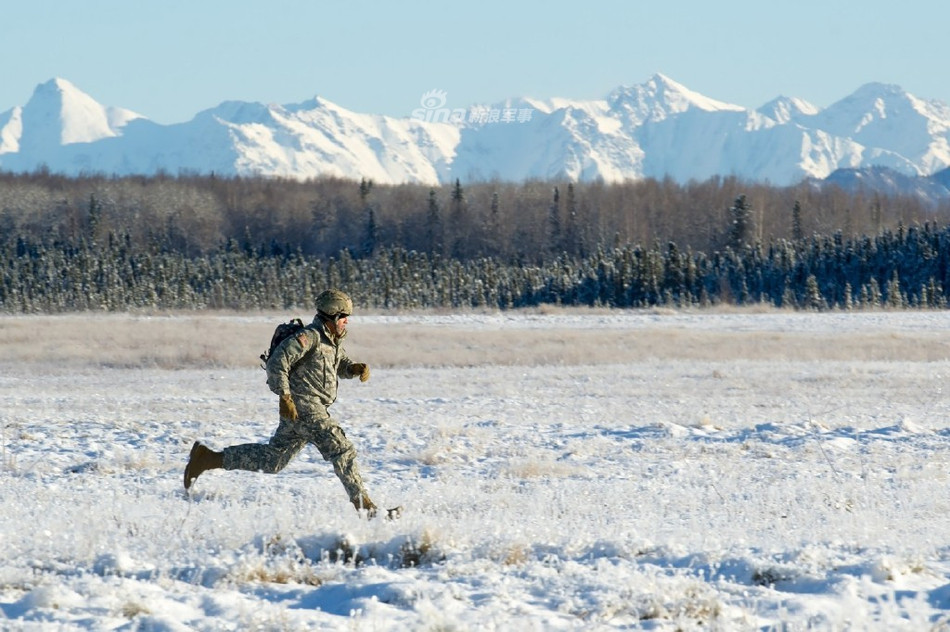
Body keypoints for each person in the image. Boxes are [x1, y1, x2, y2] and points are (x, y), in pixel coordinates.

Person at [183, 289, 383, 517]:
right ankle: (365, 508)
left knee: (273, 460)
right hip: (307, 408)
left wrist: (352, 368)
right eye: (344, 316)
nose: (347, 321)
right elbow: (278, 362)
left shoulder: (331, 341)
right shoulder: (310, 337)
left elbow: (335, 364)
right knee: (342, 449)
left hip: (301, 412)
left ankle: (207, 458)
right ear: (333, 316)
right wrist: (285, 396)